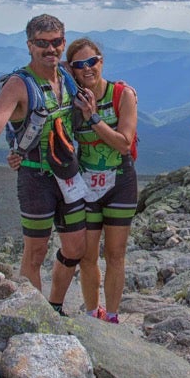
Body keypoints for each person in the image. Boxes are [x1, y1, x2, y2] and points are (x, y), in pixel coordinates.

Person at [0, 13, 87, 315]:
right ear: (29, 45)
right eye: (42, 43)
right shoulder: (19, 84)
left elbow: (94, 75)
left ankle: (54, 306)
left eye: (55, 42)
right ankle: (35, 317)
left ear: (63, 43)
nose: (50, 49)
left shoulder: (66, 74)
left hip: (68, 173)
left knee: (76, 247)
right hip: (35, 177)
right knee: (35, 252)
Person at [64, 38, 138, 324]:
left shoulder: (122, 94)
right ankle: (93, 314)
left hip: (120, 181)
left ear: (101, 61)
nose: (87, 69)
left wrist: (93, 117)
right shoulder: (70, 100)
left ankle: (113, 315)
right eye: (79, 65)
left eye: (92, 61)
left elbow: (124, 143)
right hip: (86, 184)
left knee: (115, 254)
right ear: (72, 70)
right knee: (87, 255)